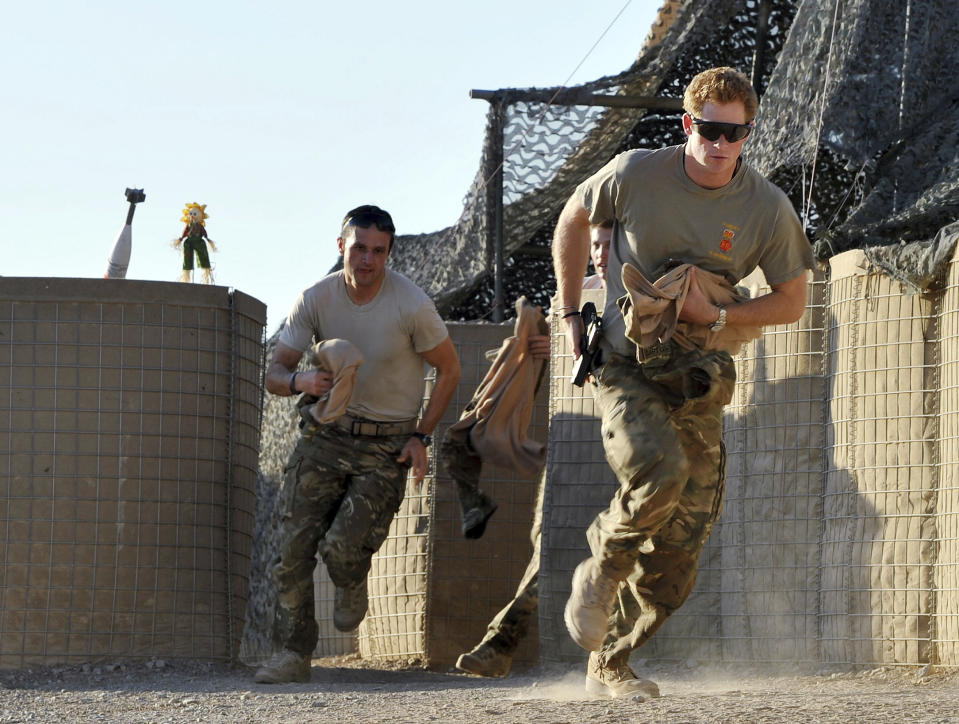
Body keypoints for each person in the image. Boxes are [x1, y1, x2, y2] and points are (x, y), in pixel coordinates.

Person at [552, 67, 814, 698]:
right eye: (710, 129)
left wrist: (719, 315)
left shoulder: (765, 208)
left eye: (736, 133)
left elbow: (792, 301)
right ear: (687, 124)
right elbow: (572, 218)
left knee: (682, 545)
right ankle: (600, 569)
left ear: (747, 135)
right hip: (624, 365)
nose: (720, 144)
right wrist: (568, 314)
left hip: (700, 377)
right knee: (656, 471)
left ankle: (612, 659)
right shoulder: (637, 173)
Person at [254, 205, 462, 684]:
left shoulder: (411, 304)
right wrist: (300, 379)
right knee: (291, 547)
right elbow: (275, 372)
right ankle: (292, 652)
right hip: (326, 435)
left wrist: (420, 436)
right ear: (341, 246)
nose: (367, 260)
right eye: (359, 248)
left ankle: (351, 579)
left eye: (378, 252)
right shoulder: (315, 298)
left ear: (388, 253)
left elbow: (449, 369)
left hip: (385, 444)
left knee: (343, 548)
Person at [455, 222, 611, 678]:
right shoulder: (575, 300)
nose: (600, 253)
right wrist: (545, 349)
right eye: (594, 245)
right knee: (549, 545)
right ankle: (501, 645)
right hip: (575, 448)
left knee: (618, 551)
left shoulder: (643, 292)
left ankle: (601, 660)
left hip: (630, 450)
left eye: (608, 244)